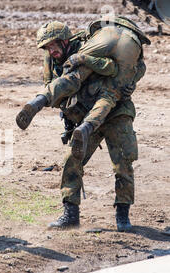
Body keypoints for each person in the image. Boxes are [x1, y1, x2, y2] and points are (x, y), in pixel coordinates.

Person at [16, 16, 150, 231]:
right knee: (72, 160)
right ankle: (70, 215)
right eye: (47, 47)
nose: (51, 51)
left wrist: (131, 81)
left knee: (123, 163)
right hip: (84, 118)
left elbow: (135, 65)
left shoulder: (91, 44)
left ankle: (123, 217)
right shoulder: (50, 60)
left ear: (65, 40)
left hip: (117, 112)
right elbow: (52, 85)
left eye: (54, 46)